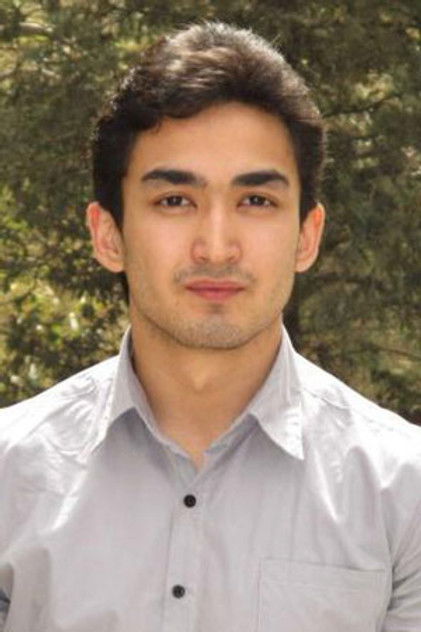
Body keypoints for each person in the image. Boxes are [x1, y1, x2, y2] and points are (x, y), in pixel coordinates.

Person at [0, 21, 420, 632]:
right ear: (108, 235)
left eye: (256, 201)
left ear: (307, 236)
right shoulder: (10, 476)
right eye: (175, 200)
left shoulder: (404, 493)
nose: (217, 247)